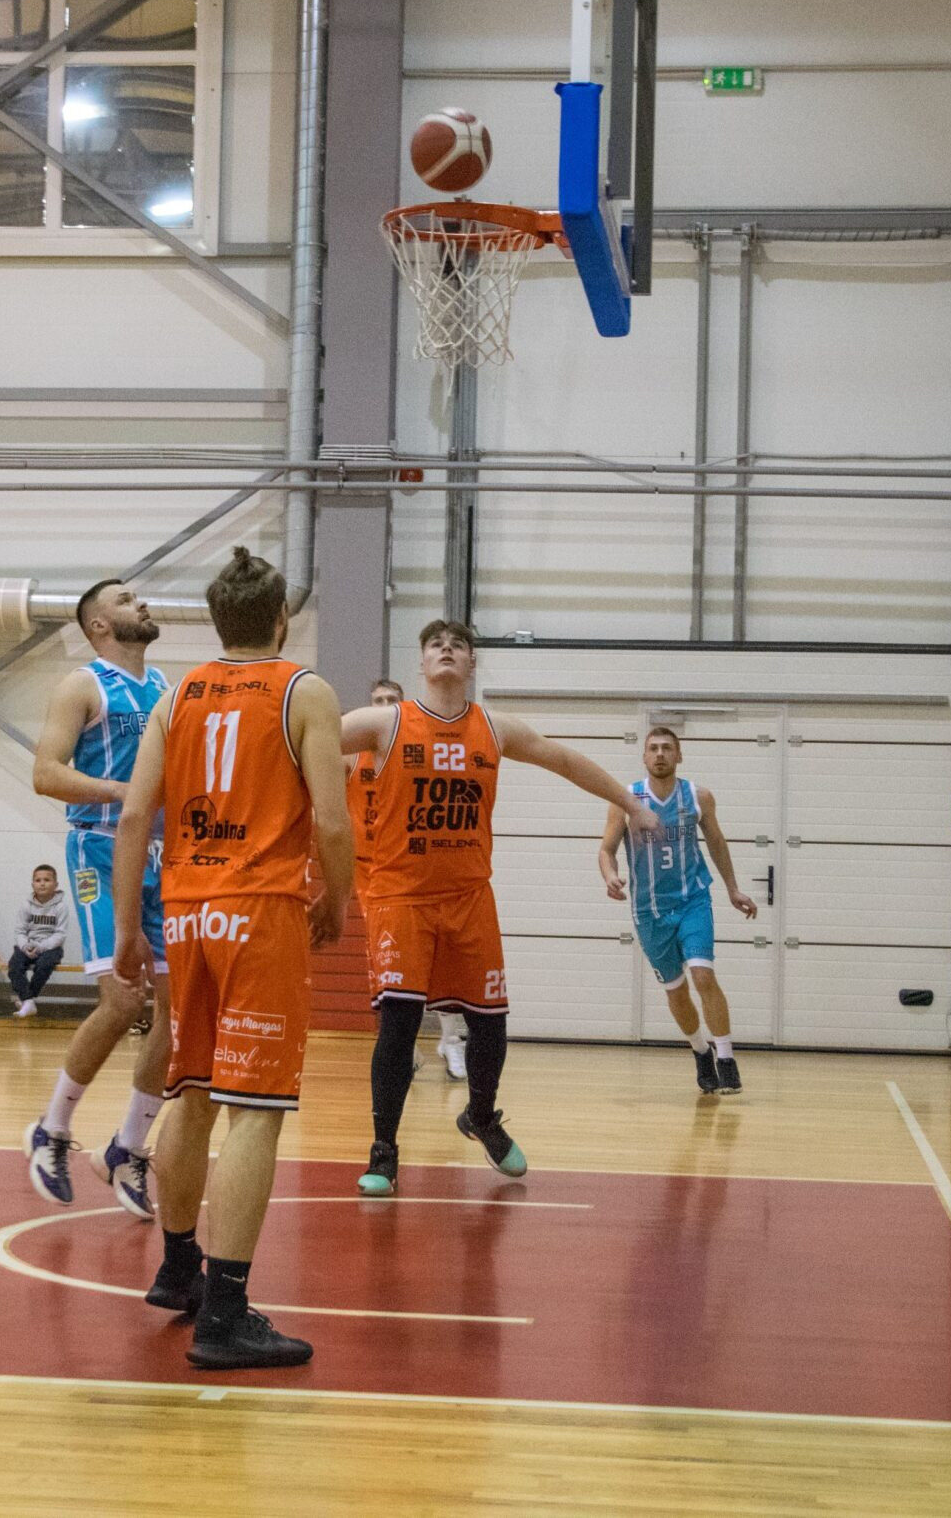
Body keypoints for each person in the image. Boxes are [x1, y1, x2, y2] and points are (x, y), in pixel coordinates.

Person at [117, 547, 351, 1370]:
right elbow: (332, 819)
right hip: (259, 909)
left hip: (186, 910)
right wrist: (339, 897)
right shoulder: (304, 690)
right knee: (255, 1107)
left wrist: (127, 926)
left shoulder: (175, 693)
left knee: (190, 1091)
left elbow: (135, 815)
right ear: (281, 618)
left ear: (218, 620)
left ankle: (178, 1266)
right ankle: (224, 1312)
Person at [343, 619, 658, 1197]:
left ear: (471, 664)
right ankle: (384, 1149)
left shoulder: (492, 727)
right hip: (400, 896)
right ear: (422, 662)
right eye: (435, 644)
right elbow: (302, 740)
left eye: (458, 645)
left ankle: (481, 1116)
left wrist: (631, 804)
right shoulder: (384, 723)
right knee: (401, 1022)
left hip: (469, 897)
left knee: (490, 1022)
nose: (446, 650)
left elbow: (563, 759)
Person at [25, 579, 171, 1218]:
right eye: (125, 599)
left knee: (179, 1015)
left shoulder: (165, 687)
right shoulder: (82, 685)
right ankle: (52, 1129)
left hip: (165, 856)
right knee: (123, 999)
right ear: (99, 626)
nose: (141, 603)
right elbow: (45, 773)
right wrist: (123, 794)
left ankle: (128, 1148)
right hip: (102, 848)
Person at [597, 726, 760, 1096]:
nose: (660, 754)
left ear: (679, 755)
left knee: (703, 975)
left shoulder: (698, 797)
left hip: (692, 900)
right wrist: (610, 876)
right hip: (650, 910)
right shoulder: (627, 800)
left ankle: (726, 1057)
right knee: (676, 990)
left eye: (667, 748)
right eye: (653, 748)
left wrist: (733, 888)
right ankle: (701, 1051)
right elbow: (607, 849)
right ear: (644, 756)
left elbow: (716, 841)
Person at [351, 677, 466, 1080]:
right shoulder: (352, 755)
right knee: (387, 967)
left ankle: (451, 1040)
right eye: (377, 700)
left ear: (403, 707)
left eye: (391, 700)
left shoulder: (419, 749)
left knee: (440, 961)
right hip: (370, 873)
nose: (384, 706)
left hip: (415, 867)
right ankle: (406, 1047)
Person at [9, 864, 71, 1017]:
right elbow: (20, 931)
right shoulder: (26, 905)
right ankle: (28, 1001)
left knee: (44, 965)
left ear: (55, 885)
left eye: (47, 880)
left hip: (50, 947)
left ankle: (27, 999)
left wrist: (41, 947)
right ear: (32, 885)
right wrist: (25, 946)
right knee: (14, 966)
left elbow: (60, 935)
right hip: (28, 945)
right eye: (38, 880)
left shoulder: (61, 907)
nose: (42, 883)